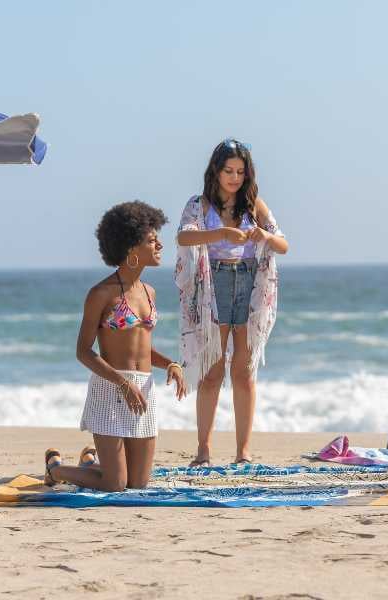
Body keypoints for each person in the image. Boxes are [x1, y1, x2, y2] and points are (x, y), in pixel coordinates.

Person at [44, 201, 187, 491]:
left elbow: (142, 348)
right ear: (130, 248)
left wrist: (170, 363)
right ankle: (56, 470)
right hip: (111, 389)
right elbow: (83, 351)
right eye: (151, 240)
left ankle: (88, 464)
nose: (160, 244)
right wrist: (122, 382)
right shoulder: (101, 293)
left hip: (143, 390)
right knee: (115, 484)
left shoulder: (149, 291)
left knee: (138, 484)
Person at [175, 138, 289, 467]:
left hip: (251, 283)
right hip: (214, 284)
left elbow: (283, 244)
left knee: (244, 371)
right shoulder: (199, 205)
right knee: (212, 370)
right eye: (229, 170)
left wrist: (264, 237)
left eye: (240, 171)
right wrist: (222, 235)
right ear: (216, 170)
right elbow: (184, 236)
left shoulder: (255, 204)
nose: (235, 178)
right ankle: (203, 450)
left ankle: (243, 452)